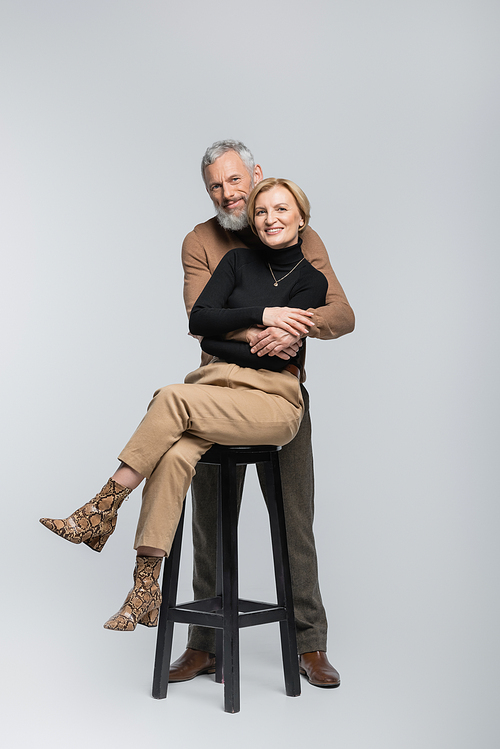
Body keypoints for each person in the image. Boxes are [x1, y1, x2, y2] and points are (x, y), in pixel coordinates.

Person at [39, 178, 331, 658]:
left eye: (282, 209)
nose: (270, 218)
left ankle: (99, 510)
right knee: (172, 454)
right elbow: (201, 324)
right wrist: (264, 316)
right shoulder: (236, 261)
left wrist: (241, 329)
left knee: (170, 397)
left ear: (302, 217)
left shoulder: (311, 281)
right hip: (214, 391)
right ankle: (144, 588)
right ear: (253, 222)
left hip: (273, 402)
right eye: (261, 212)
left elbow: (273, 356)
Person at [166, 141, 354, 689]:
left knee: (296, 518)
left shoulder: (293, 229)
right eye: (216, 186)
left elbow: (340, 313)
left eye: (234, 179)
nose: (230, 193)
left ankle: (309, 643)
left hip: (281, 392)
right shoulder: (200, 241)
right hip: (219, 388)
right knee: (210, 520)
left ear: (257, 174)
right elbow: (201, 318)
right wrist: (258, 329)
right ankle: (204, 646)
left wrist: (294, 327)